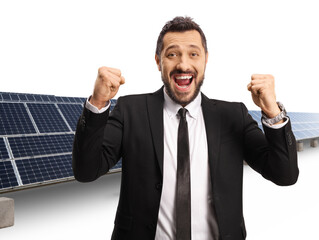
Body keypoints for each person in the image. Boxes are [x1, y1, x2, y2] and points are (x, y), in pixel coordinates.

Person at [72, 16, 299, 240]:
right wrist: (98, 103)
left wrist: (272, 111)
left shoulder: (234, 116)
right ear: (158, 61)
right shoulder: (130, 110)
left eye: (193, 54)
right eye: (172, 54)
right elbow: (86, 171)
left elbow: (285, 174)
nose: (183, 64)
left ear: (205, 60)